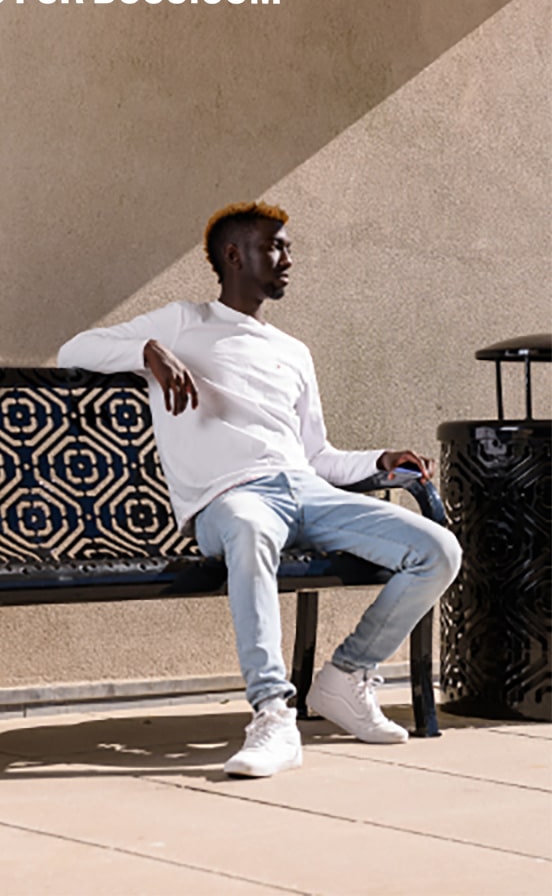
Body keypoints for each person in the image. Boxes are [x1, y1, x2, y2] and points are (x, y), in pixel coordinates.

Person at [57, 201, 461, 778]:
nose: (288, 259)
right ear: (233, 256)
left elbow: (317, 456)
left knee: (438, 549)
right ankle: (274, 714)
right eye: (275, 247)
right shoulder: (182, 321)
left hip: (306, 492)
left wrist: (379, 459)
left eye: (287, 248)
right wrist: (144, 352)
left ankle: (346, 677)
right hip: (231, 499)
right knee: (249, 529)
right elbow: (75, 350)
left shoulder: (293, 352)